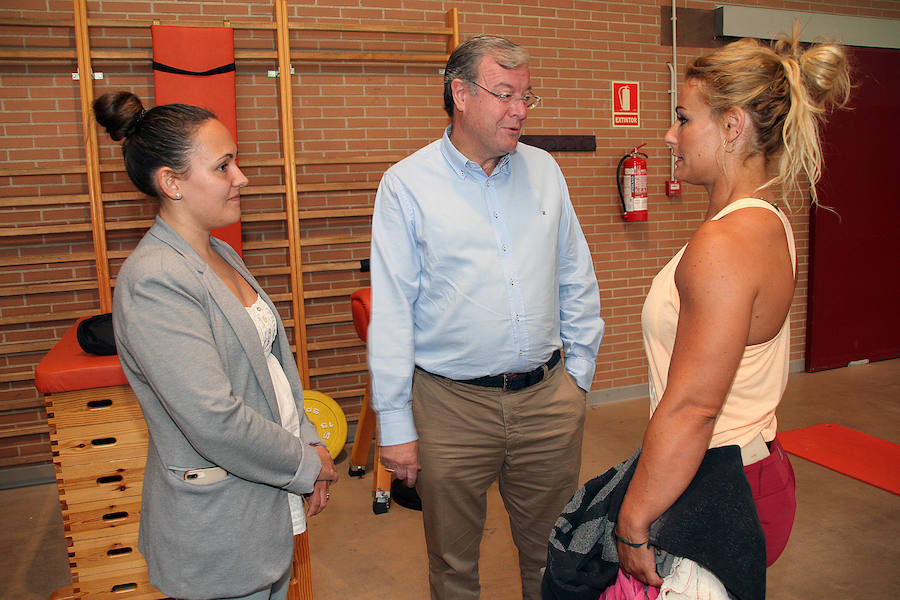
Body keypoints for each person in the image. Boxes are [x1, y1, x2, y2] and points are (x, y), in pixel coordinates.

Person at [613, 29, 851, 594]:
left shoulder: (725, 244)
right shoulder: (765, 222)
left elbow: (694, 406)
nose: (670, 135)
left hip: (718, 481)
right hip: (747, 465)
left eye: (683, 118)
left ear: (733, 126)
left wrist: (634, 519)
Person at [368, 35, 605, 600]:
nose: (520, 110)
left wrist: (579, 377)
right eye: (505, 94)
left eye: (527, 96)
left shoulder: (545, 171)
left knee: (553, 553)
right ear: (460, 95)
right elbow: (393, 313)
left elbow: (576, 274)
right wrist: (396, 425)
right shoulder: (406, 185)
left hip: (547, 401)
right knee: (453, 565)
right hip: (451, 409)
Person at [95, 91, 338, 600]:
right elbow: (213, 418)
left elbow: (272, 367)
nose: (241, 177)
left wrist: (309, 437)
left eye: (236, 162)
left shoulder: (219, 250)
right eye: (223, 166)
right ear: (171, 183)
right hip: (220, 522)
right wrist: (305, 463)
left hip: (267, 494)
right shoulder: (155, 278)